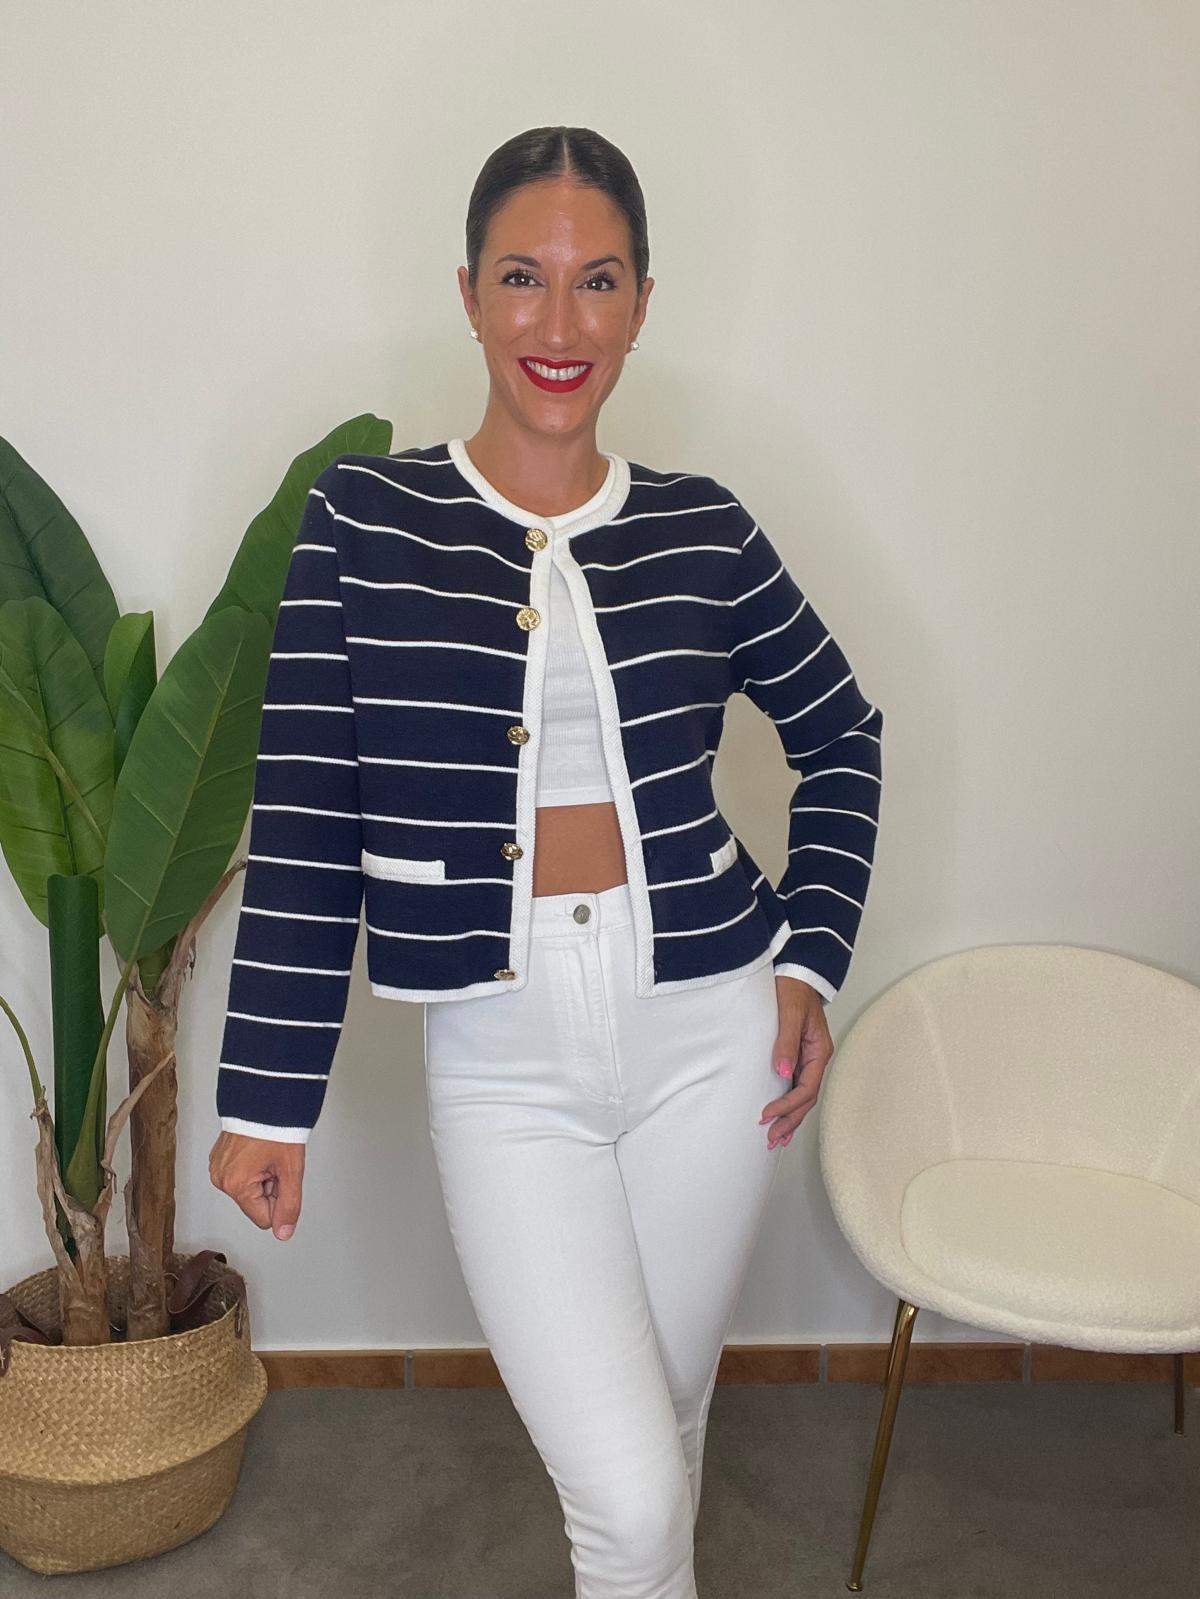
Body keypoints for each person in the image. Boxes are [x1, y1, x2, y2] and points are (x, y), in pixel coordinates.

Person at [211, 125, 883, 1599]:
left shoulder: (705, 529)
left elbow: (843, 735)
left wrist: (809, 957)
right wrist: (268, 1100)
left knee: (668, 1426)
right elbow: (310, 818)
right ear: (468, 293)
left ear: (642, 302)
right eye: (523, 277)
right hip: (503, 1057)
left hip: (712, 1035)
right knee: (631, 1494)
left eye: (598, 281)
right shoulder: (363, 521)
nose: (559, 323)